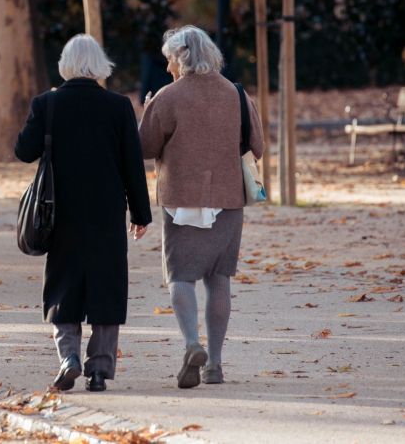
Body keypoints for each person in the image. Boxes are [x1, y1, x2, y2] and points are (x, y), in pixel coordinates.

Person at [15, 34, 152, 393]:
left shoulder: (47, 104)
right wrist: (141, 213)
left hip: (60, 211)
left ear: (65, 64)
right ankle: (99, 371)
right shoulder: (118, 106)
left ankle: (69, 358)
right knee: (107, 287)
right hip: (106, 211)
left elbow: (23, 151)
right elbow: (132, 166)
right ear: (99, 65)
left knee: (63, 285)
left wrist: (39, 120)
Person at [138, 25, 263, 388]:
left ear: (181, 58)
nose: (167, 69)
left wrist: (148, 110)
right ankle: (216, 364)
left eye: (169, 61)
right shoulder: (236, 95)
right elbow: (258, 146)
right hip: (227, 199)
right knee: (218, 278)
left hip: (181, 199)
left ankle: (192, 343)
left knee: (180, 276)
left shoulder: (167, 96)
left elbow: (145, 147)